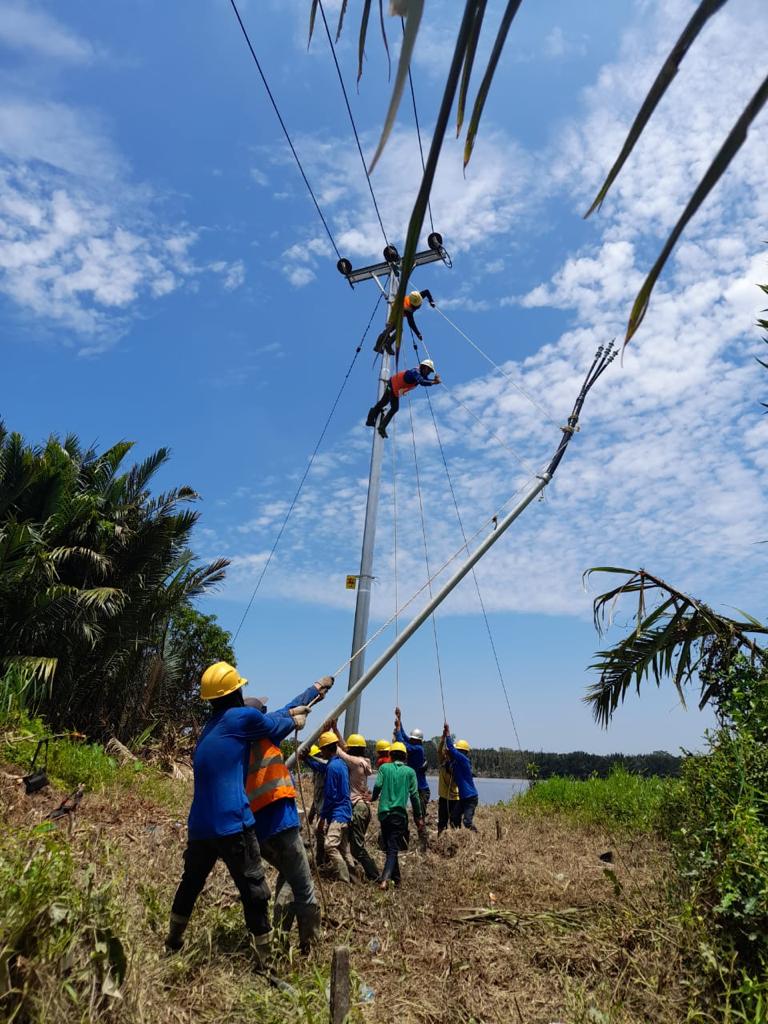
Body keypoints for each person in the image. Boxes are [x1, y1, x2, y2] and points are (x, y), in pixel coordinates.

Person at [166, 661, 312, 965]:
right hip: (233, 823)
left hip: (200, 827)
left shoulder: (210, 727)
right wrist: (294, 720)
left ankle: (173, 941)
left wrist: (312, 693)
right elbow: (273, 725)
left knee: (191, 884)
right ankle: (265, 961)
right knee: (255, 891)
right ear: (236, 691)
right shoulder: (241, 717)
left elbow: (273, 716)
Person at [243, 676, 333, 954]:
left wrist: (317, 691)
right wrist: (315, 690)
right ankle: (309, 946)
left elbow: (288, 710)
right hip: (281, 822)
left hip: (257, 829)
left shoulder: (237, 743)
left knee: (288, 875)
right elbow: (290, 709)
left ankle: (279, 938)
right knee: (304, 886)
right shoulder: (266, 733)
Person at [303, 730, 357, 882]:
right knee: (344, 849)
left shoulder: (333, 767)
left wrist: (322, 819)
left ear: (327, 749)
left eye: (322, 750)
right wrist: (307, 759)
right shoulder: (339, 763)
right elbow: (320, 767)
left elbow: (331, 796)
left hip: (338, 814)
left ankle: (345, 878)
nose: (322, 753)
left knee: (330, 846)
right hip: (346, 811)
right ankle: (355, 877)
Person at [371, 741, 424, 890]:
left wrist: (373, 798)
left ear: (390, 755)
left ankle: (397, 880)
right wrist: (418, 817)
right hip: (399, 816)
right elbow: (414, 796)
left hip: (384, 815)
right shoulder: (410, 772)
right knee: (393, 848)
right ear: (405, 757)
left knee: (390, 847)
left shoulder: (384, 768)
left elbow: (377, 786)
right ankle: (385, 879)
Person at [336, 730, 379, 882]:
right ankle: (355, 873)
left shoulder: (354, 762)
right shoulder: (364, 761)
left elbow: (340, 751)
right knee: (351, 844)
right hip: (363, 807)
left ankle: (375, 876)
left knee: (357, 848)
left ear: (352, 749)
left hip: (358, 808)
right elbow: (345, 749)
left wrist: (328, 734)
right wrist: (335, 730)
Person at [366, 360, 441, 439]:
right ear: (425, 368)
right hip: (393, 386)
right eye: (429, 370)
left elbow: (426, 380)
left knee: (383, 403)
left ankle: (370, 420)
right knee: (394, 408)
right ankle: (381, 427)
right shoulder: (415, 372)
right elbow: (422, 382)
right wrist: (434, 382)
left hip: (393, 385)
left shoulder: (421, 373)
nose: (429, 373)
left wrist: (434, 380)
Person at [394, 706, 431, 819]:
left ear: (417, 740)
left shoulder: (418, 749)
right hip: (417, 789)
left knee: (419, 817)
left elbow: (402, 743)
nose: (410, 739)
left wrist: (398, 728)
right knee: (417, 816)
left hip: (421, 790)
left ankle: (423, 836)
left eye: (412, 739)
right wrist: (399, 719)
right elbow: (404, 736)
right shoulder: (414, 745)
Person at [374, 289, 435, 355]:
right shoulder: (408, 309)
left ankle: (378, 346)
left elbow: (426, 291)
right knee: (395, 329)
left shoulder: (416, 297)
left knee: (390, 329)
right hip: (396, 313)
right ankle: (387, 345)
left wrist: (431, 301)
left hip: (398, 307)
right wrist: (418, 334)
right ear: (414, 305)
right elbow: (411, 323)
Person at [442, 724, 479, 831]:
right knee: (454, 817)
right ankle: (457, 836)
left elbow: (452, 751)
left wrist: (448, 734)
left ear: (463, 752)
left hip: (470, 798)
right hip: (463, 798)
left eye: (459, 750)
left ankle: (476, 835)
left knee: (467, 822)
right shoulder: (456, 763)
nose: (457, 752)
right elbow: (449, 766)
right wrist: (448, 755)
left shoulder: (464, 760)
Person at [437, 732, 461, 833]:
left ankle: (456, 841)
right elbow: (439, 751)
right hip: (444, 797)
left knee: (455, 823)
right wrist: (443, 739)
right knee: (442, 822)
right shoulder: (443, 762)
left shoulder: (457, 764)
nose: (447, 753)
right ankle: (440, 840)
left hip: (455, 798)